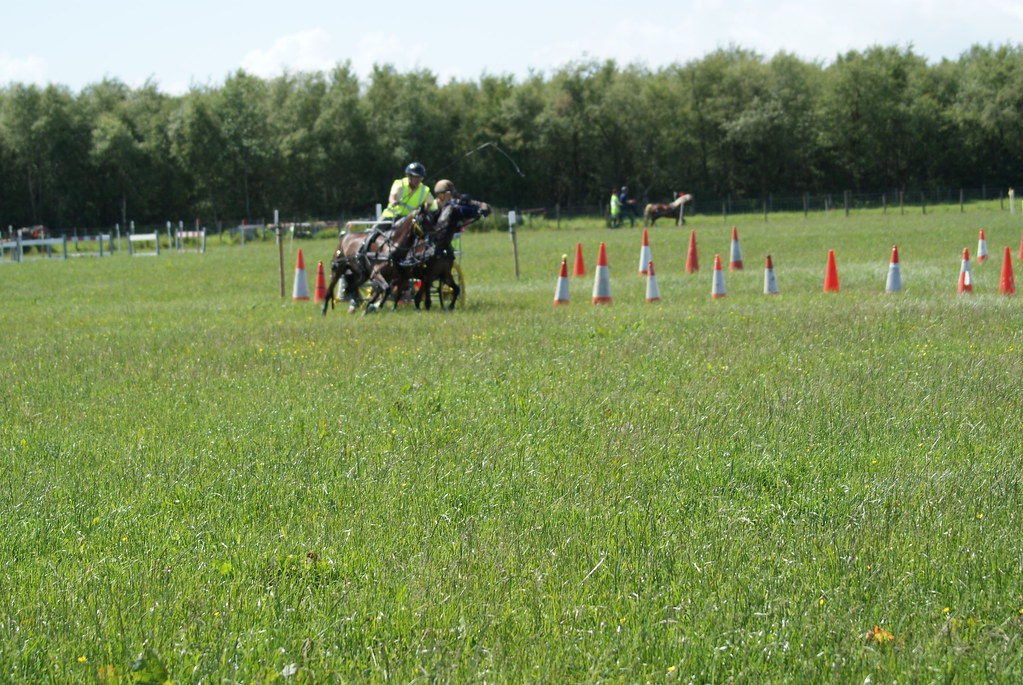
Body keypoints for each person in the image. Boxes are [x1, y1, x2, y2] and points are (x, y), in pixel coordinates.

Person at [429, 179, 491, 257]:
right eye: (449, 193)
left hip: (450, 243)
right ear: (440, 195)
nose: (451, 195)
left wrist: (483, 207)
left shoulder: (454, 204)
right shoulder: (431, 207)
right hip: (431, 245)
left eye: (452, 192)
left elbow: (475, 204)